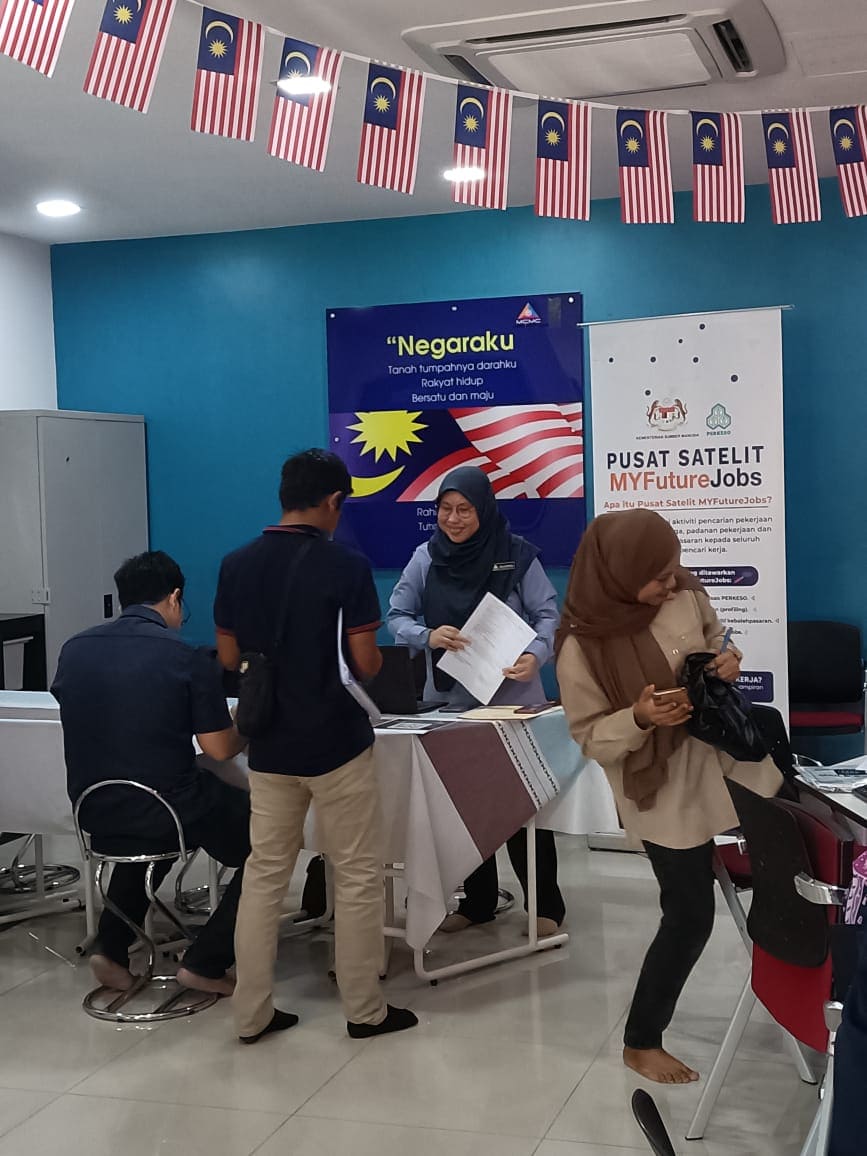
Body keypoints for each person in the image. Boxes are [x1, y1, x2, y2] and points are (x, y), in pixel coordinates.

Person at [555, 509, 782, 1085]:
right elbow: (589, 737)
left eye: (673, 569)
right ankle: (642, 1040)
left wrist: (727, 660)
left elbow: (716, 638)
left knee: (795, 866)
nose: (671, 582)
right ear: (618, 574)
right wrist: (638, 717)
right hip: (663, 788)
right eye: (656, 576)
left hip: (726, 761)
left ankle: (798, 987)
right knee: (689, 914)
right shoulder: (584, 645)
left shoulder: (685, 593)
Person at [214, 449, 416, 1044]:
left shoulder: (235, 564)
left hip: (268, 746)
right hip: (336, 744)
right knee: (355, 875)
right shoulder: (346, 566)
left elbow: (228, 656)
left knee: (264, 875)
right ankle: (364, 1011)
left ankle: (251, 1014)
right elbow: (366, 661)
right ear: (333, 502)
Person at [52, 550, 249, 998]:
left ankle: (111, 948)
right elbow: (219, 748)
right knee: (272, 844)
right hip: (167, 806)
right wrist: (245, 724)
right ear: (175, 598)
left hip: (94, 808)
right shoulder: (185, 656)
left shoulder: (74, 649)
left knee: (149, 827)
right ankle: (207, 961)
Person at [387, 465, 565, 937]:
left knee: (524, 804)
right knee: (463, 804)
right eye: (445, 509)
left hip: (513, 701)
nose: (454, 519)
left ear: (483, 509)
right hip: (452, 703)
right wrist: (427, 635)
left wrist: (535, 655)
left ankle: (546, 904)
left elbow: (549, 615)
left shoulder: (517, 555)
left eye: (464, 509)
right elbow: (397, 616)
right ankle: (479, 901)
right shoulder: (425, 558)